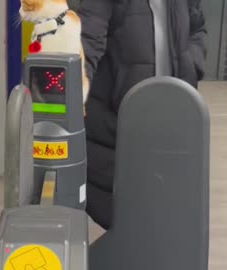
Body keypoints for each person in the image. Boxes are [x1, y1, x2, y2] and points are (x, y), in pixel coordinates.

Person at [79, 0, 207, 229]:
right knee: (127, 216)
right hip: (121, 122)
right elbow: (88, 36)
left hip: (171, 118)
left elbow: (197, 28)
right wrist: (74, 86)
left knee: (164, 214)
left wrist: (191, 65)